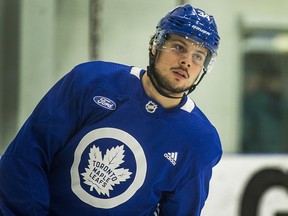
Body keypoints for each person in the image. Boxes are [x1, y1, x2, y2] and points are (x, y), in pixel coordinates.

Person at [0, 4, 222, 216]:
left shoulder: (200, 142)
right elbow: (27, 156)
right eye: (178, 47)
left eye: (198, 56)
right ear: (156, 46)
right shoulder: (90, 82)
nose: (186, 61)